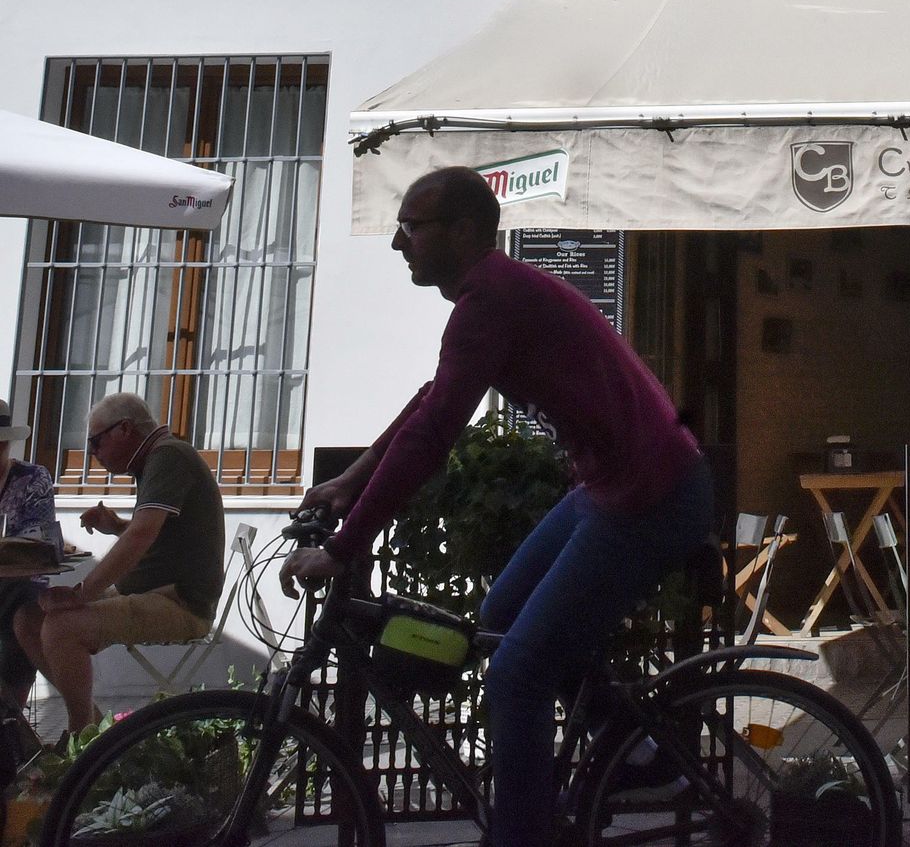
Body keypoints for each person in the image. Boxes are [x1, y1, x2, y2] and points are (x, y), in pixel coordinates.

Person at [281, 167, 711, 847]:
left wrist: (342, 547)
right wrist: (350, 482)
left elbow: (433, 436)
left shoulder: (493, 296)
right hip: (614, 485)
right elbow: (434, 399)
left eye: (411, 226)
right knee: (502, 616)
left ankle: (523, 833)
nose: (397, 242)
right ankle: (638, 751)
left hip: (650, 493)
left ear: (463, 231)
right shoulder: (492, 295)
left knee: (516, 673)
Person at [14, 394, 224, 733]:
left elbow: (142, 535)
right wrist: (117, 526)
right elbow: (158, 533)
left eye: (96, 442)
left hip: (181, 603)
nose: (93, 453)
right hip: (157, 592)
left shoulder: (169, 456)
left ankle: (81, 738)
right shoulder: (159, 458)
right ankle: (93, 726)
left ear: (125, 429)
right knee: (28, 618)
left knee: (61, 627)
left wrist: (81, 594)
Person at [0, 402, 59, 710]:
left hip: (20, 584)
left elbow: (38, 542)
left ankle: (12, 713)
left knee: (22, 605)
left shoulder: (33, 478)